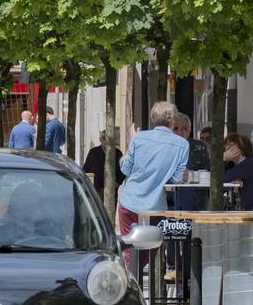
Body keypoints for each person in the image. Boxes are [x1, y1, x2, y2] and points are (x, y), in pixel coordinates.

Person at [117, 101, 189, 241]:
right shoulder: (182, 144)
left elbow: (125, 169)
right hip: (155, 205)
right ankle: (144, 263)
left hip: (130, 201)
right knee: (151, 247)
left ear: (152, 118)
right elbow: (177, 179)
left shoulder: (138, 138)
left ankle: (132, 263)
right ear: (173, 120)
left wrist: (130, 144)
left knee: (129, 249)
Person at [170, 113, 208, 213]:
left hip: (193, 197)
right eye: (176, 128)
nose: (180, 132)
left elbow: (208, 171)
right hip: (169, 196)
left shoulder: (199, 146)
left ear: (189, 130)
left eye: (184, 129)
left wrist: (192, 175)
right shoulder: (165, 147)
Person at [81, 130, 122, 200]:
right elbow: (85, 169)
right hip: (97, 189)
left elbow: (122, 172)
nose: (106, 141)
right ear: (100, 140)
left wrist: (118, 182)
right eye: (104, 138)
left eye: (109, 139)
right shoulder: (93, 152)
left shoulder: (118, 153)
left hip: (112, 190)